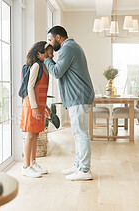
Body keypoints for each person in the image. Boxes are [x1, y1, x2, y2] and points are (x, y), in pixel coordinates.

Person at [38, 26, 95, 181]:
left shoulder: (67, 48)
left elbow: (56, 72)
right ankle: (78, 165)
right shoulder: (71, 47)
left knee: (81, 133)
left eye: (50, 39)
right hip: (78, 96)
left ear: (58, 37)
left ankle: (84, 170)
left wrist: (47, 59)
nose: (50, 43)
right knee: (78, 133)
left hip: (79, 96)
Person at [20, 41, 54, 178]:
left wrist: (44, 106)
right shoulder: (36, 66)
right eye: (48, 53)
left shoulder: (45, 67)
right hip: (31, 105)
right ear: (39, 53)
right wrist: (34, 107)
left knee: (35, 135)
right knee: (29, 135)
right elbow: (30, 87)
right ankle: (25, 166)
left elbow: (42, 90)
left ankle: (33, 163)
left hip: (39, 105)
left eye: (51, 53)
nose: (51, 55)